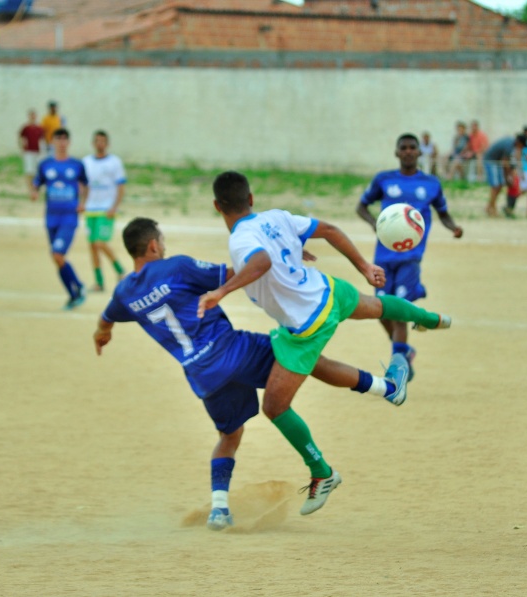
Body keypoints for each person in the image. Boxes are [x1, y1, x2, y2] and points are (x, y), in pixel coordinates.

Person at [94, 218, 409, 530]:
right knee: (303, 357)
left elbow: (107, 316)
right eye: (161, 240)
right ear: (152, 245)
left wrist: (102, 334)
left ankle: (219, 510)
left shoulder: (125, 293)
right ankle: (385, 387)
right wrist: (282, 254)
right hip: (233, 351)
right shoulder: (176, 267)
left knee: (229, 437)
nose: (163, 245)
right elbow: (240, 272)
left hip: (201, 374)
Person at [198, 171, 452, 515]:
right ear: (252, 199)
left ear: (217, 206)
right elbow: (329, 231)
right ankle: (430, 320)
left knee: (275, 405)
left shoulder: (240, 240)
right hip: (328, 291)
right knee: (374, 305)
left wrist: (221, 291)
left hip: (305, 325)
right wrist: (363, 265)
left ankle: (323, 473)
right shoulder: (277, 217)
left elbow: (260, 261)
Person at [356, 133, 462, 376]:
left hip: (411, 256)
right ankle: (404, 351)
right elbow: (361, 206)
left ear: (419, 152)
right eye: (403, 147)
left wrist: (453, 227)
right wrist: (375, 224)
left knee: (400, 310)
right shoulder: (383, 179)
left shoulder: (431, 183)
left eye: (412, 147)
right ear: (396, 152)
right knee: (380, 309)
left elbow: (443, 213)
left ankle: (398, 365)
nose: (408, 151)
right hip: (383, 256)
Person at [31, 128, 88, 310]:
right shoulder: (45, 164)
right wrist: (33, 191)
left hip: (69, 217)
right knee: (56, 257)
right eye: (58, 138)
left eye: (65, 139)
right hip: (51, 217)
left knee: (57, 254)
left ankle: (78, 286)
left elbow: (85, 185)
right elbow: (36, 182)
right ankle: (73, 295)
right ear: (53, 141)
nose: (62, 142)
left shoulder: (76, 165)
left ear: (68, 142)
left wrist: (83, 203)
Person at [82, 130, 127, 292]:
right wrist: (81, 203)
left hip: (106, 209)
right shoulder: (86, 162)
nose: (100, 144)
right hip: (90, 209)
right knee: (92, 246)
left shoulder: (114, 162)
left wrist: (115, 206)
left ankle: (120, 270)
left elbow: (121, 186)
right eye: (97, 141)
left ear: (107, 144)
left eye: (103, 141)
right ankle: (99, 282)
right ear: (93, 143)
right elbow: (82, 185)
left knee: (100, 242)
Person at [484, 134, 527, 217]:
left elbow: (508, 163)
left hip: (496, 162)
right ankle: (492, 209)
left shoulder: (511, 144)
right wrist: (507, 177)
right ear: (519, 143)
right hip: (491, 161)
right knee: (495, 186)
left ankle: (489, 206)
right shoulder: (510, 145)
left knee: (499, 185)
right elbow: (505, 163)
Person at [19, 109, 45, 190]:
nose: (33, 117)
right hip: (28, 151)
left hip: (37, 151)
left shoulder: (39, 128)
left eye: (34, 116)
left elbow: (42, 140)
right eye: (31, 115)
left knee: (36, 170)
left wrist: (42, 150)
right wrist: (22, 147)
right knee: (29, 170)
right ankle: (29, 187)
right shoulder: (26, 128)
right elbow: (21, 138)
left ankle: (35, 186)